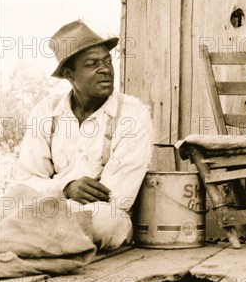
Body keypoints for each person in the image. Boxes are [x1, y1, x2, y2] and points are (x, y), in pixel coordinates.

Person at [15, 19, 153, 249]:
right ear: (70, 75)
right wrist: (66, 187)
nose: (105, 69)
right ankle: (44, 244)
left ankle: (29, 242)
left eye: (107, 61)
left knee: (105, 221)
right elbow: (27, 180)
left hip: (100, 216)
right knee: (9, 202)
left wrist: (55, 202)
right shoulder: (46, 112)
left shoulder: (132, 114)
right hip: (52, 209)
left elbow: (117, 197)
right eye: (92, 63)